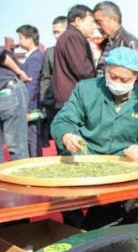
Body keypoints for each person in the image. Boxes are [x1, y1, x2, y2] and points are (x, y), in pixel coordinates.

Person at [51, 47, 138, 230]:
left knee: (127, 221)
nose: (117, 83)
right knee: (82, 223)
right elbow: (63, 120)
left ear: (135, 77)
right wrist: (67, 135)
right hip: (87, 162)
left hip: (123, 166)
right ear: (105, 70)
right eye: (113, 76)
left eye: (124, 80)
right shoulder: (86, 90)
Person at [0, 42, 30, 165]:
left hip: (5, 90)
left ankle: (22, 182)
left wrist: (19, 72)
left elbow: (0, 55)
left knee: (17, 146)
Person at [93, 1, 138, 95]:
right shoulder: (106, 43)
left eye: (99, 22)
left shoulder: (130, 43)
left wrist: (133, 107)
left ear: (114, 19)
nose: (97, 26)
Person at [53, 4, 96, 111]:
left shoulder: (70, 35)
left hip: (71, 98)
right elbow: (83, 70)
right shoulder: (73, 36)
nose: (94, 26)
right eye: (91, 22)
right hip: (73, 99)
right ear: (78, 21)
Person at [17, 24, 44, 157]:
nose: (19, 41)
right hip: (31, 103)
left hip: (31, 105)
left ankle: (35, 163)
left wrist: (27, 108)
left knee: (32, 138)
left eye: (21, 38)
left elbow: (32, 84)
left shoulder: (35, 57)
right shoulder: (33, 56)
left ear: (29, 39)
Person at [40, 16, 67, 148]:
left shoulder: (79, 50)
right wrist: (45, 100)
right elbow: (45, 77)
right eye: (54, 32)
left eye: (59, 32)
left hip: (73, 101)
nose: (56, 36)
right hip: (54, 104)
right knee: (59, 141)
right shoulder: (50, 52)